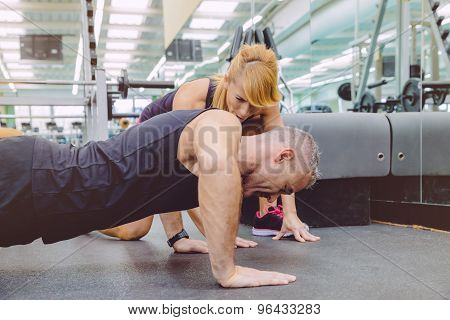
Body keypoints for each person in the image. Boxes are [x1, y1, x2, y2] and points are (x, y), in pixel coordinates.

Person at [0, 108, 319, 288]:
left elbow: (170, 183)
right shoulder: (221, 124)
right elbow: (219, 174)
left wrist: (178, 236)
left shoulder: (210, 164)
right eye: (286, 188)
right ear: (283, 156)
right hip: (27, 176)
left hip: (32, 214)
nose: (277, 198)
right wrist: (227, 270)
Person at [101, 44, 320, 250]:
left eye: (254, 106)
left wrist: (290, 214)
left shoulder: (266, 104)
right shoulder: (194, 96)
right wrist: (186, 236)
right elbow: (174, 174)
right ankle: (92, 222)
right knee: (134, 230)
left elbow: (285, 159)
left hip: (183, 149)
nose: (244, 112)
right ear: (227, 81)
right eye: (240, 99)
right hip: (152, 136)